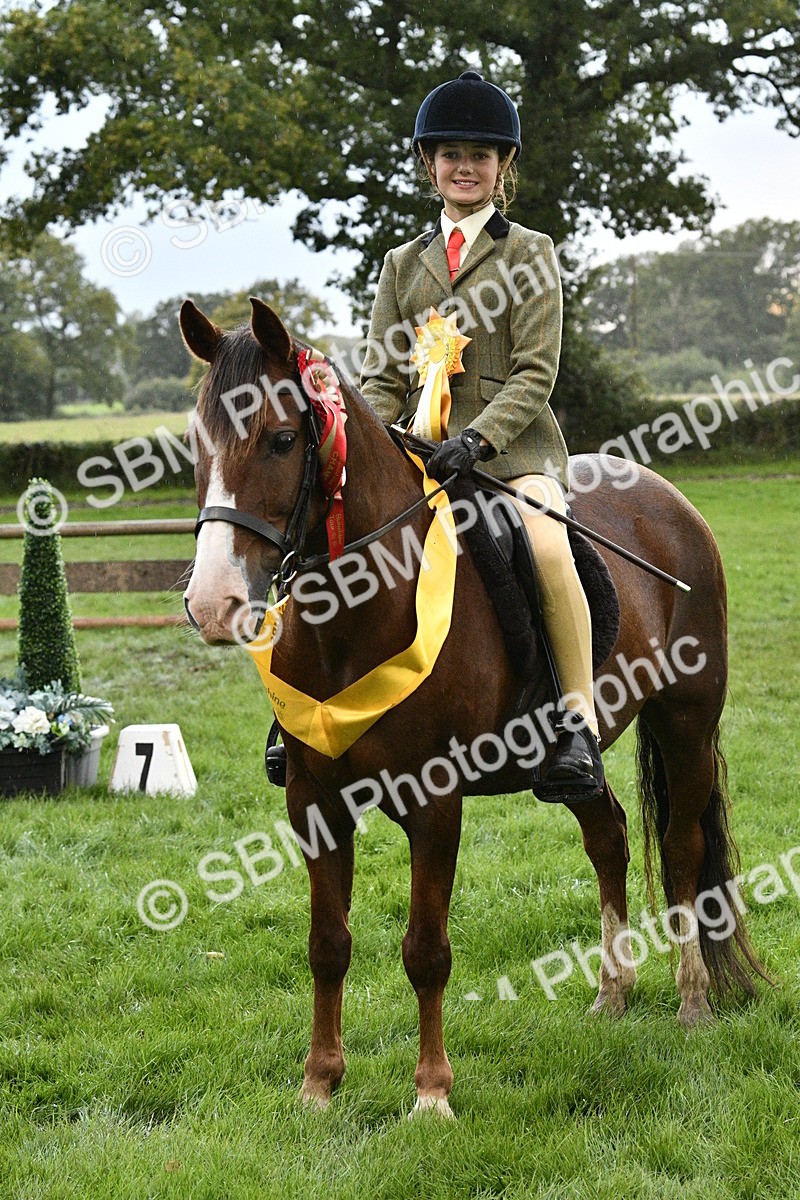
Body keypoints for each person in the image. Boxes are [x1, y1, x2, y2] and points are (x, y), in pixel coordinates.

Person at [360, 69, 603, 799]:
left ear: (503, 169)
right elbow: (380, 376)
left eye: (481, 155)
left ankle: (576, 724)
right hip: (419, 453)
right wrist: (364, 440)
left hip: (512, 456)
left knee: (546, 542)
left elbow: (535, 373)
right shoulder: (402, 265)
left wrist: (481, 440)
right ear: (429, 164)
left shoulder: (529, 252)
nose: (464, 167)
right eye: (451, 154)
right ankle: (310, 719)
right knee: (339, 540)